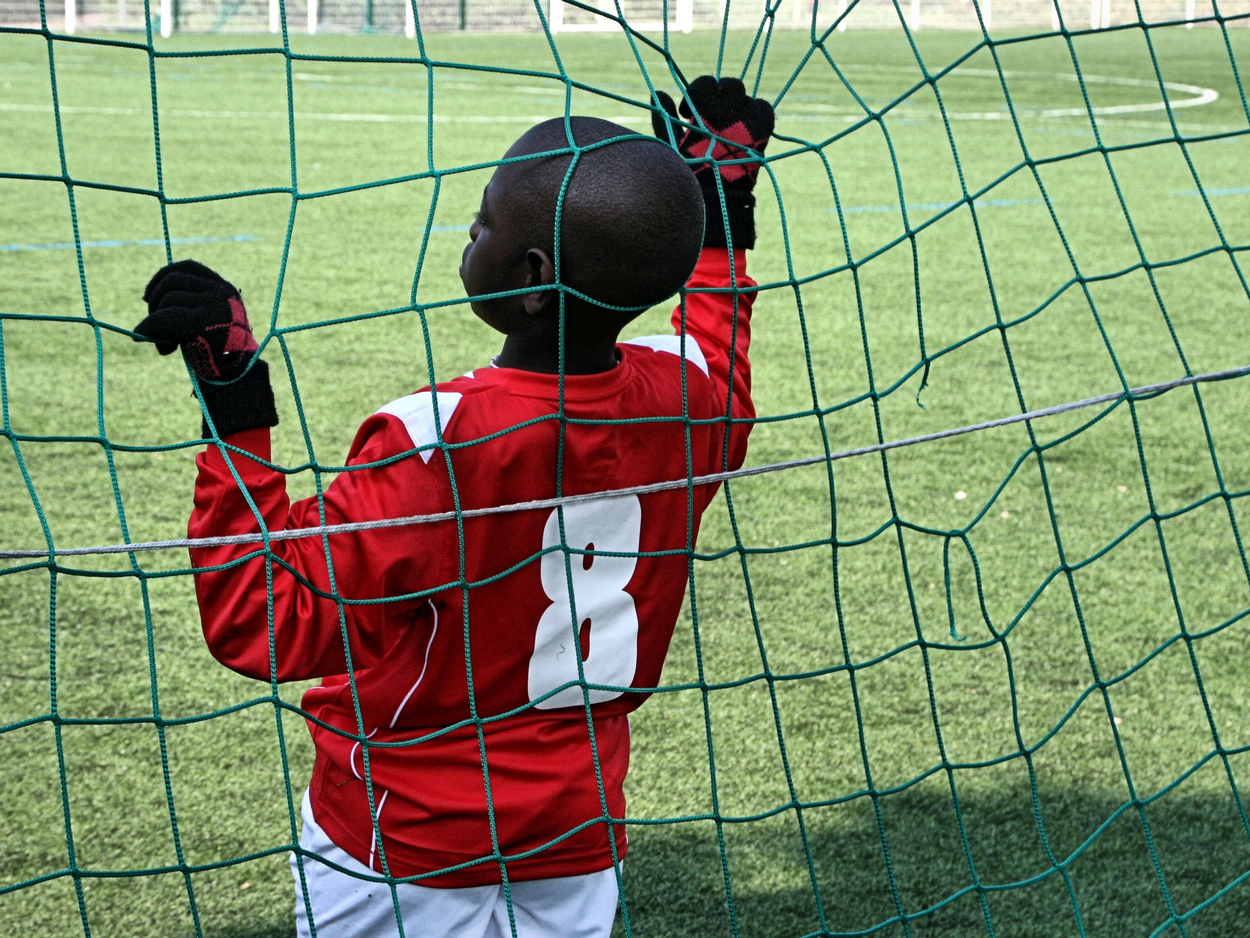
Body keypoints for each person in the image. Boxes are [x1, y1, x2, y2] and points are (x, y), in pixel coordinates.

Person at [133, 77, 774, 938]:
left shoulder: (439, 438)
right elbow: (717, 349)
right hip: (578, 838)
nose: (471, 231)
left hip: (402, 849)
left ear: (532, 277)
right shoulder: (690, 408)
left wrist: (235, 404)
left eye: (485, 220)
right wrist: (722, 204)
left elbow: (265, 620)